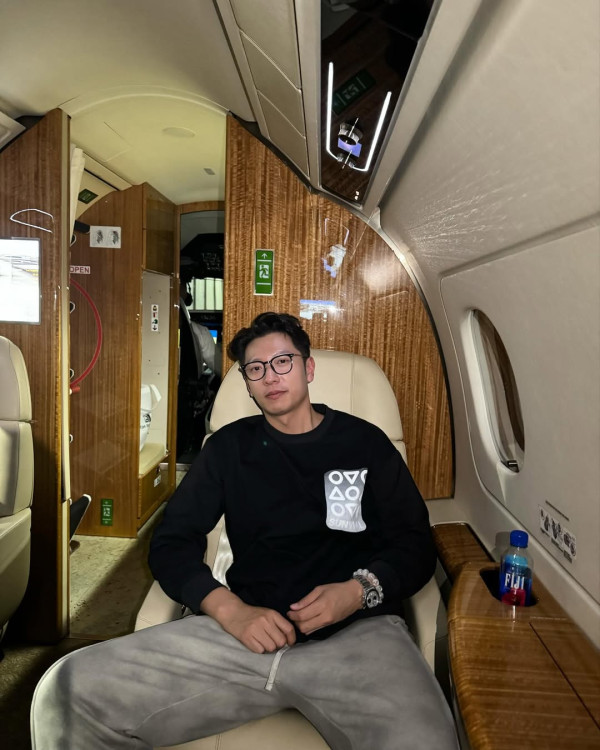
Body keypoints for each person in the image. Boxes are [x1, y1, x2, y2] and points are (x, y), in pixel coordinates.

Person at [31, 312, 458, 749]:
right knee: (67, 692)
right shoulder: (227, 449)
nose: (270, 376)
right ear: (248, 385)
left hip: (358, 639)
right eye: (255, 368)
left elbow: (415, 544)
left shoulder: (365, 443)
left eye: (283, 362)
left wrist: (357, 591)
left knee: (426, 740)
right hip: (242, 634)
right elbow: (172, 543)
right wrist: (230, 610)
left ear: (308, 368)